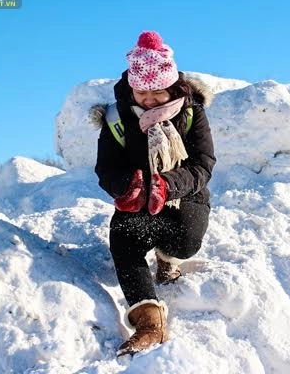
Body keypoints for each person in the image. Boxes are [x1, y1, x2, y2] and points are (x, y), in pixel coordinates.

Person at [92, 31, 216, 356]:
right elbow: (106, 168)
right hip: (138, 199)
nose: (147, 99)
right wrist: (125, 188)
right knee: (123, 238)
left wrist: (168, 184)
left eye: (157, 92)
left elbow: (203, 165)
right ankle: (149, 324)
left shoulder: (191, 114)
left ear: (172, 87)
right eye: (141, 91)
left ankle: (167, 258)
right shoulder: (116, 118)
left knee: (186, 240)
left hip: (182, 195)